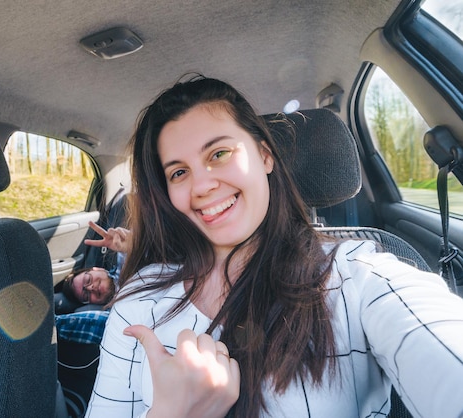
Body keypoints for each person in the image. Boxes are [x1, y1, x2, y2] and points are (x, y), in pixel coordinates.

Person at [86, 75, 463, 418]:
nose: (201, 186)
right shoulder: (138, 298)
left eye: (219, 154)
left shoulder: (359, 277)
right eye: (179, 172)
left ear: (265, 155)